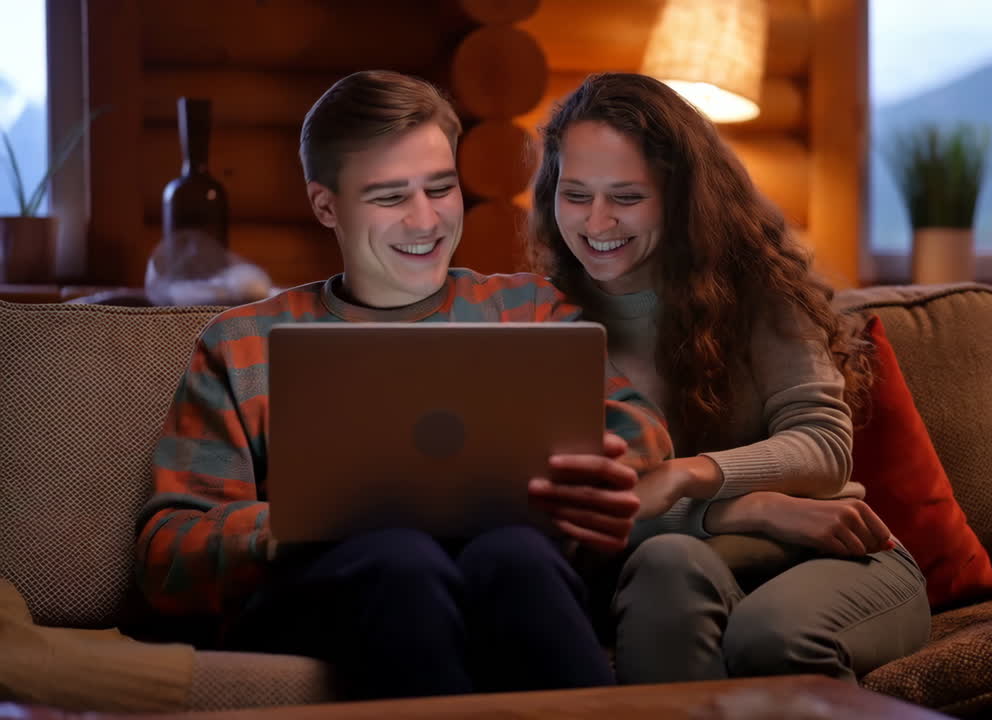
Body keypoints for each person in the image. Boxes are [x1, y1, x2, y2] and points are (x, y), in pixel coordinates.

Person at [134, 70, 671, 700]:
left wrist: (598, 466)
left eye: (440, 189)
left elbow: (639, 430)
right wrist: (300, 524)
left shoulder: (526, 309)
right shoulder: (242, 343)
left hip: (507, 562)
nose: (425, 221)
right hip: (328, 591)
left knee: (514, 555)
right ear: (326, 204)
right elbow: (168, 551)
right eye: (390, 198)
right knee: (400, 557)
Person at [527, 72, 932, 683]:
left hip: (833, 551)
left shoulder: (757, 289)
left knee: (771, 636)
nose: (597, 222)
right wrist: (749, 509)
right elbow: (576, 515)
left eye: (628, 197)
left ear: (682, 196)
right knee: (667, 563)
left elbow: (825, 448)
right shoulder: (544, 315)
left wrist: (686, 476)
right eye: (576, 195)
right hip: (683, 561)